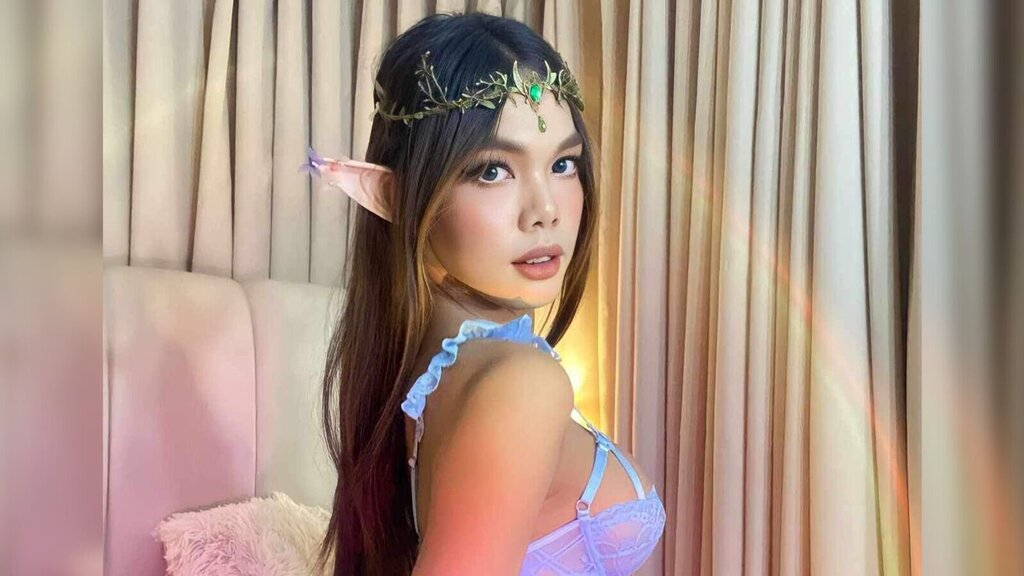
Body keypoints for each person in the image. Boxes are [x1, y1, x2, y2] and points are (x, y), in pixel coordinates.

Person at [306, 12, 666, 575]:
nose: (545, 210)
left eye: (563, 164)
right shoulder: (520, 384)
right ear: (395, 197)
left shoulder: (426, 371)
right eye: (493, 171)